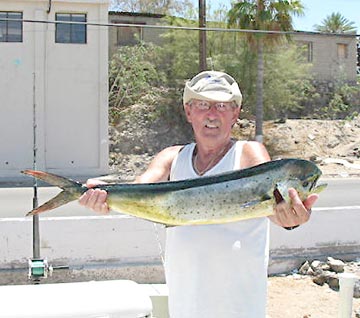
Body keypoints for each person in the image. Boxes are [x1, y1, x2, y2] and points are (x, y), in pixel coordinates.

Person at [79, 71, 318, 318]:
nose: (212, 114)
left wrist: (292, 220)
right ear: (188, 111)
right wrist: (104, 196)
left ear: (235, 114)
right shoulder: (172, 157)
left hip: (239, 308)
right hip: (186, 306)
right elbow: (140, 188)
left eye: (222, 106)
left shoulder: (249, 153)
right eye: (203, 105)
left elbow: (275, 210)